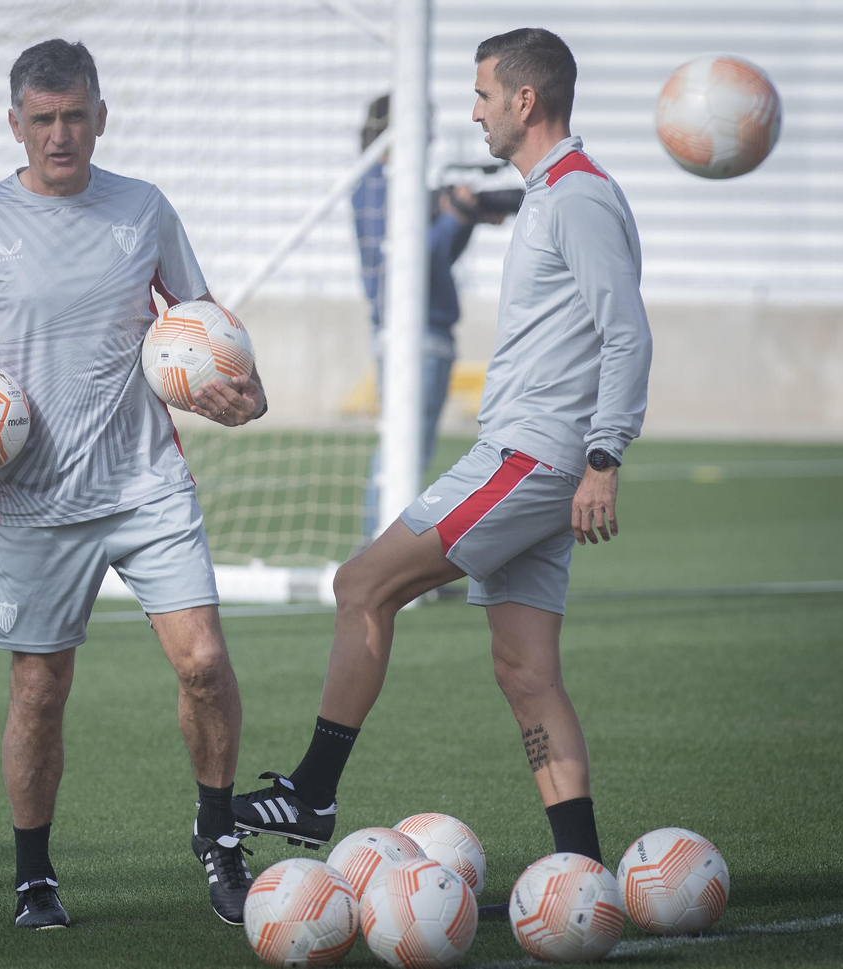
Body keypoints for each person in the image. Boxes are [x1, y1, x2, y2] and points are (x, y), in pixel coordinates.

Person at [232, 27, 652, 911]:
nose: (475, 109)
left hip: (532, 457)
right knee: (526, 671)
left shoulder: (576, 196)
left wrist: (603, 458)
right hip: (538, 459)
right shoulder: (549, 192)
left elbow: (628, 332)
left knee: (362, 585)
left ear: (525, 102)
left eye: (485, 95)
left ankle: (310, 792)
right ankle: (584, 872)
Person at [0, 39, 269, 930]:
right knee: (39, 690)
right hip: (36, 500)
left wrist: (245, 390)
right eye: (43, 119)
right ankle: (35, 877)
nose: (61, 135)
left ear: (102, 116)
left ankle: (217, 838)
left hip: (146, 483)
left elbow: (209, 323)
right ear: (14, 125)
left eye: (75, 116)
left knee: (206, 664)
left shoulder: (144, 209)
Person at [353, 95, 510, 541]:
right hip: (414, 335)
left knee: (408, 456)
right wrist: (455, 215)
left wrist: (462, 219)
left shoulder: (383, 183)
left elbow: (433, 264)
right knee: (400, 456)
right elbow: (412, 263)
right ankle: (377, 558)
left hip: (421, 332)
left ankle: (384, 560)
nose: (433, 137)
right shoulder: (382, 183)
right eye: (425, 126)